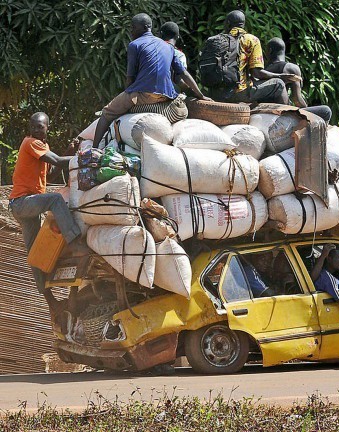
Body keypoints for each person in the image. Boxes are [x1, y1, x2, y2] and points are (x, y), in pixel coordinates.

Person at [92, 13, 209, 148]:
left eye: (133, 27)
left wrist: (126, 98)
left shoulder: (134, 45)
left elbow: (130, 78)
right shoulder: (169, 47)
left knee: (107, 113)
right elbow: (183, 73)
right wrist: (201, 95)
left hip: (143, 94)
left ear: (144, 28)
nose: (131, 31)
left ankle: (94, 151)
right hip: (167, 96)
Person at [9, 112, 81, 313]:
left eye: (40, 126)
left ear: (47, 127)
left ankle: (52, 304)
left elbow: (51, 173)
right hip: (22, 204)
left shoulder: (42, 147)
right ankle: (75, 242)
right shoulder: (31, 143)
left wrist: (69, 151)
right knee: (55, 199)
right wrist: (81, 158)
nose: (36, 129)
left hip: (26, 208)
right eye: (34, 126)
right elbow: (58, 161)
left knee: (35, 256)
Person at [207, 10, 301, 104]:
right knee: (278, 83)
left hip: (213, 93)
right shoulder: (251, 40)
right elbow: (257, 73)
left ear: (227, 23)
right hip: (238, 93)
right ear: (243, 24)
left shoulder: (214, 41)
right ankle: (286, 115)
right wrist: (281, 76)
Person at [265, 37, 332, 123]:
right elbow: (297, 100)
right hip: (282, 112)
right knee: (326, 111)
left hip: (267, 111)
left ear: (270, 50)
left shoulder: (264, 71)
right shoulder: (291, 68)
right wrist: (306, 110)